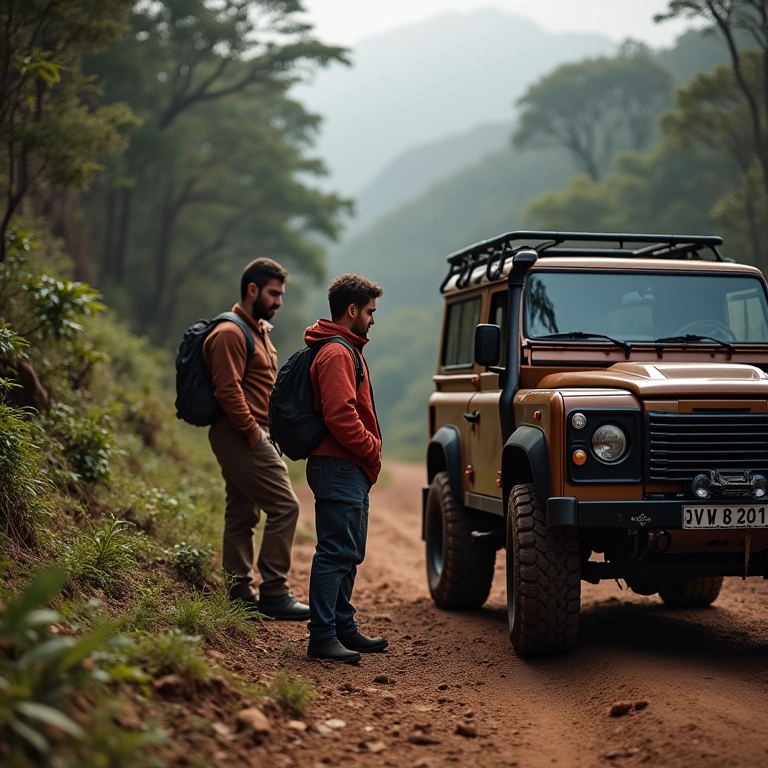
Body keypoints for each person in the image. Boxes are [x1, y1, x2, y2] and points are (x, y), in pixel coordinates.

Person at [203, 258, 309, 621]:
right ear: (252, 290)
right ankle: (274, 592)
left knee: (242, 513)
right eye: (273, 293)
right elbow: (227, 389)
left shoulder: (257, 330)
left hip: (250, 432)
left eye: (281, 294)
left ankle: (239, 592)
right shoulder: (230, 333)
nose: (279, 301)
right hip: (238, 432)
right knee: (285, 506)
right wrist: (252, 432)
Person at [304, 273, 387, 664]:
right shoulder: (337, 351)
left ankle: (342, 627)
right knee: (335, 552)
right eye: (369, 311)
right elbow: (340, 415)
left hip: (346, 465)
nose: (372, 319)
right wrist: (371, 448)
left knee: (348, 552)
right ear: (352, 310)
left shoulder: (343, 347)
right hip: (339, 464)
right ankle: (322, 636)